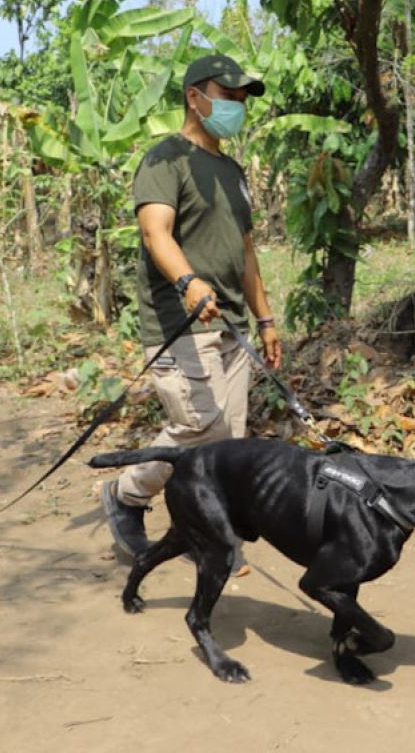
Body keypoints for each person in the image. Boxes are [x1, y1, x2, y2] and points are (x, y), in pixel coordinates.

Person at [99, 54, 282, 574]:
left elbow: (246, 252)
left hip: (232, 326)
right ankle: (126, 493)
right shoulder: (165, 159)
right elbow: (155, 232)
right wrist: (188, 282)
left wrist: (265, 318)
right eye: (227, 98)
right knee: (199, 425)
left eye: (241, 101)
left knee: (230, 440)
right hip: (180, 321)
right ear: (194, 97)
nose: (236, 109)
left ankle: (211, 534)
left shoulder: (232, 172)